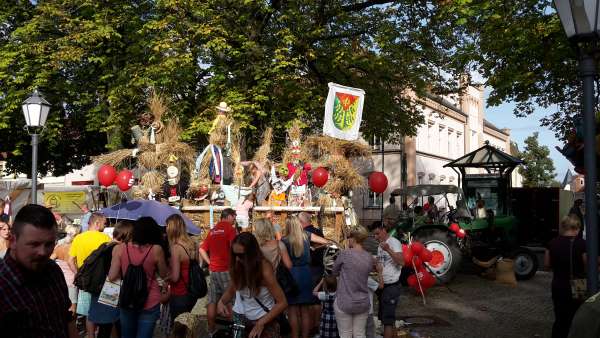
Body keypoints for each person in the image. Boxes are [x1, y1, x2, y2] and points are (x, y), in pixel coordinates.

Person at [0, 204, 78, 338]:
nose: (42, 252)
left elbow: (66, 317)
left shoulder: (53, 270)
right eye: (34, 244)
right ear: (13, 241)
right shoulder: (3, 284)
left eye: (49, 244)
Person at [218, 232, 288, 338]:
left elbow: (282, 302)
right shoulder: (237, 265)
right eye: (234, 255)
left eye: (241, 255)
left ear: (251, 254)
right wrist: (221, 302)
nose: (237, 259)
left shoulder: (264, 269)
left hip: (263, 319)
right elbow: (231, 290)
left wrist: (261, 323)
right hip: (240, 319)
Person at [108, 217, 169, 338]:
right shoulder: (156, 249)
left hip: (127, 298)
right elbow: (164, 274)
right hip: (150, 300)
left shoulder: (119, 248)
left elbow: (112, 276)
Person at [283, 215, 330, 338]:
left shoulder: (284, 240)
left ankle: (294, 336)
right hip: (306, 273)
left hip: (291, 274)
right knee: (305, 310)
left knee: (292, 310)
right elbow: (327, 242)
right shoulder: (307, 236)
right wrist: (313, 248)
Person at [88, 220, 134, 338]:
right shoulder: (119, 249)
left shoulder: (105, 246)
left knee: (105, 326)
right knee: (110, 326)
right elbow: (114, 275)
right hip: (111, 289)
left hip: (100, 288)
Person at [68, 212, 111, 338]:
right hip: (102, 282)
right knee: (103, 311)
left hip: (85, 282)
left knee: (89, 313)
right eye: (104, 223)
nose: (105, 225)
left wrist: (78, 273)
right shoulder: (105, 238)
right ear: (97, 223)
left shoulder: (78, 238)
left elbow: (70, 260)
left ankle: (90, 335)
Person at [331, 228, 380, 338]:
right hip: (362, 301)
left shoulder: (345, 254)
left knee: (345, 334)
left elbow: (334, 272)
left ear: (353, 239)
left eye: (349, 237)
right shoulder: (369, 257)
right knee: (359, 334)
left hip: (344, 301)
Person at [545, 215, 586, 338]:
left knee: (560, 317)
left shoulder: (552, 243)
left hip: (559, 283)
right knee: (578, 316)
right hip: (579, 284)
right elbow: (587, 265)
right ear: (576, 228)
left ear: (563, 227)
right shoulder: (582, 244)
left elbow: (546, 265)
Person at [199, 208, 238, 337]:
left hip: (213, 270)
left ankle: (211, 330)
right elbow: (236, 249)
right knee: (231, 300)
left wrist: (209, 262)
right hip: (226, 269)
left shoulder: (212, 231)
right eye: (234, 216)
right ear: (228, 216)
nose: (235, 219)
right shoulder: (230, 230)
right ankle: (234, 331)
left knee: (212, 300)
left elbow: (201, 249)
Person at [166, 214, 199, 323]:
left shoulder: (176, 248)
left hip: (179, 293)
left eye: (167, 226)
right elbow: (196, 266)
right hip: (193, 291)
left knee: (178, 328)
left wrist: (165, 278)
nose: (166, 229)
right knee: (187, 326)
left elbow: (175, 277)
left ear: (172, 228)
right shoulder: (193, 244)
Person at [373, 223, 403, 338]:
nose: (376, 237)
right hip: (383, 285)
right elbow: (382, 264)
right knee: (388, 319)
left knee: (388, 322)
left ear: (384, 230)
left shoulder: (394, 242)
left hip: (391, 286)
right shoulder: (380, 245)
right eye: (374, 235)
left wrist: (388, 249)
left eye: (377, 233)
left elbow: (402, 262)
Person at [298, 211, 326, 334]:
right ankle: (317, 326)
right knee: (317, 299)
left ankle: (308, 328)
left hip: (307, 270)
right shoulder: (319, 232)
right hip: (319, 268)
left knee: (307, 301)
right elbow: (326, 244)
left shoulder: (303, 234)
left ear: (301, 222)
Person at [52, 224, 82, 314]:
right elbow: (71, 262)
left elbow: (49, 260)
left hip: (59, 279)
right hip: (72, 280)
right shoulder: (74, 248)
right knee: (73, 306)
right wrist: (77, 273)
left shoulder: (59, 247)